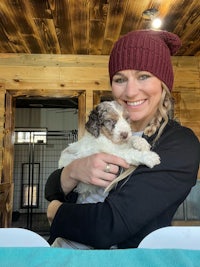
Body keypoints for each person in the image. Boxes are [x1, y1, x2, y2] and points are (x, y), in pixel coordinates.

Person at [45, 29, 200, 249]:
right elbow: (53, 189)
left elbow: (108, 225)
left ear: (163, 84)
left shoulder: (181, 145)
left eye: (143, 76)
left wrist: (54, 211)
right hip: (65, 252)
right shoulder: (105, 129)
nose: (130, 91)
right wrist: (72, 171)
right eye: (120, 79)